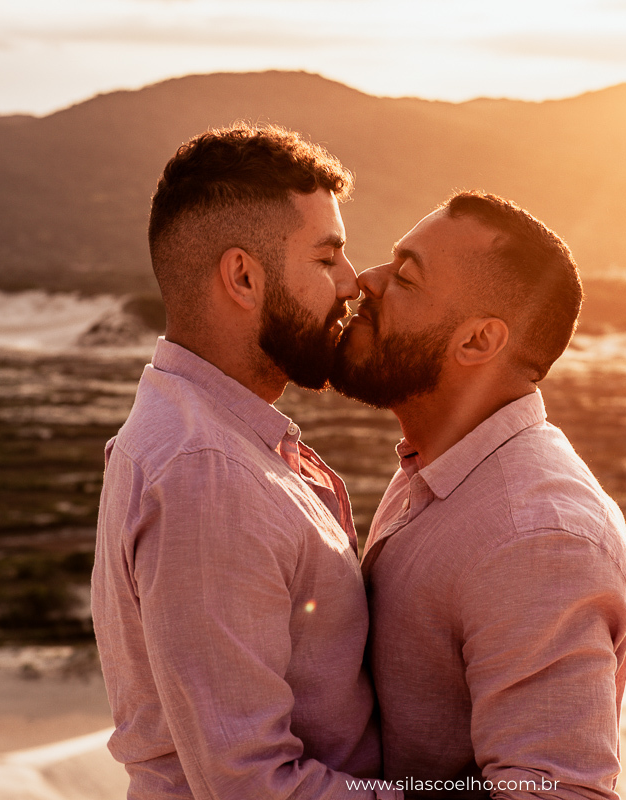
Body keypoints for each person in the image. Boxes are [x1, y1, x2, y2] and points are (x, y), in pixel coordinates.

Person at [92, 124, 399, 800]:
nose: (351, 283)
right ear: (243, 276)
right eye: (326, 259)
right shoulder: (205, 471)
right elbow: (252, 786)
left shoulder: (211, 440)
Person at [331, 192, 626, 799]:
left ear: (476, 342)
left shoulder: (537, 537)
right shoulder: (438, 467)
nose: (367, 280)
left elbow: (557, 793)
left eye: (406, 278)